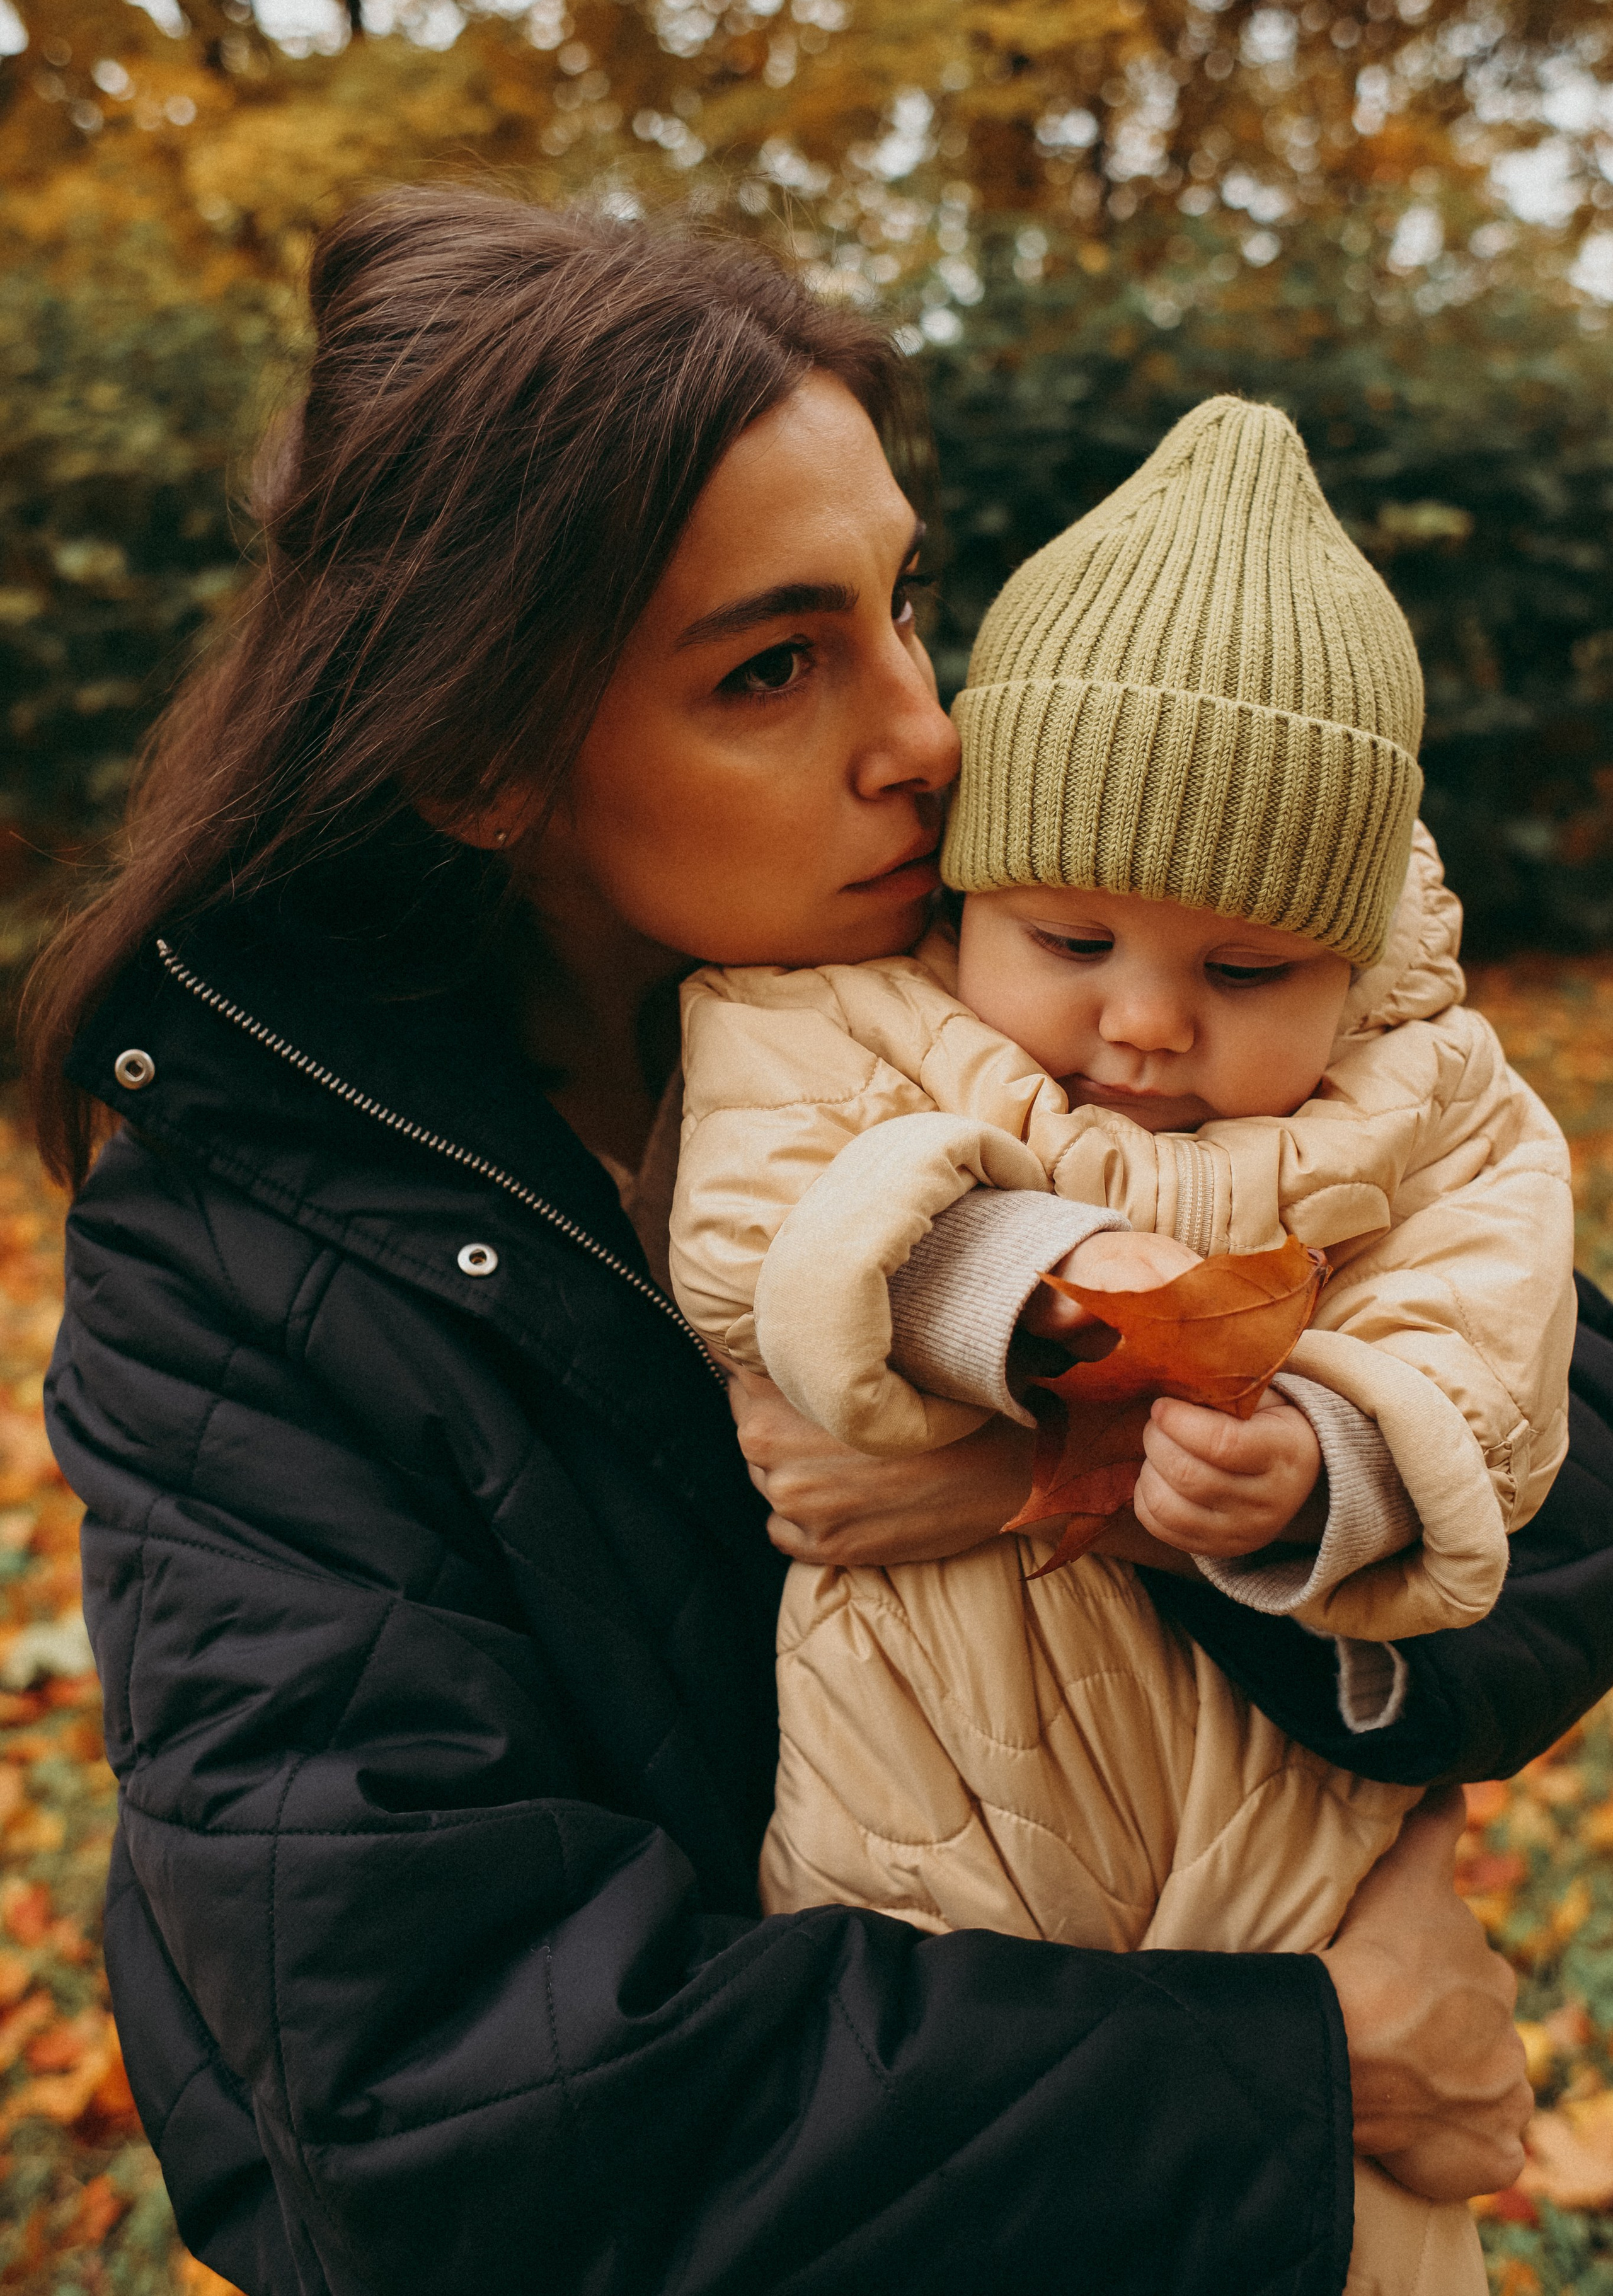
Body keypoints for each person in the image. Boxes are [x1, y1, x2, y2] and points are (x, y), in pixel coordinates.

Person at [20, 185, 1587, 2296]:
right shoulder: (241, 1268)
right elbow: (426, 2094)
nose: (925, 735)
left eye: (903, 605)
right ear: (485, 754)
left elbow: (1563, 1454)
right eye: (775, 666)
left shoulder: (1054, 962)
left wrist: (1091, 1475)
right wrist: (1297, 2070)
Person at [667, 395, 1576, 2290]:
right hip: (928, 1796)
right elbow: (767, 1229)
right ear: (975, 884)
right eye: (1069, 939)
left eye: (1244, 973)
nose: (1145, 1026)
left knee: (1370, 2234)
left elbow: (1492, 1336)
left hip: (1293, 1839)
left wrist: (1321, 1462)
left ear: (1347, 960)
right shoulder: (844, 1018)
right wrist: (1050, 1317)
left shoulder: (1432, 1100)